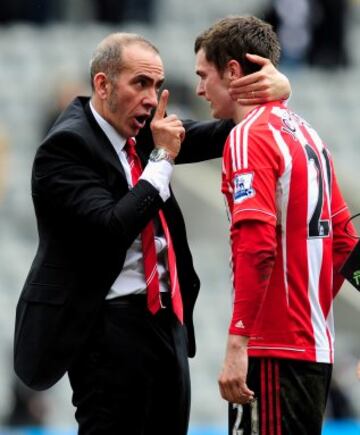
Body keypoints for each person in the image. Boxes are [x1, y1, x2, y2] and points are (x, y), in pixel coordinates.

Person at [13, 32, 290, 435]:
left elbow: (223, 133)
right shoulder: (67, 147)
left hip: (165, 321)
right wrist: (161, 158)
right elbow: (112, 227)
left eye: (157, 86)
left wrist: (276, 94)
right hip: (108, 328)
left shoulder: (140, 132)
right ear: (103, 84)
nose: (151, 97)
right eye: (140, 83)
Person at [194, 16, 358, 435]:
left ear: (232, 72)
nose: (198, 90)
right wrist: (308, 305)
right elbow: (344, 242)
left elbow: (257, 243)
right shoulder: (308, 135)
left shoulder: (249, 136)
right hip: (313, 348)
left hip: (270, 350)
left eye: (203, 75)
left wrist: (239, 340)